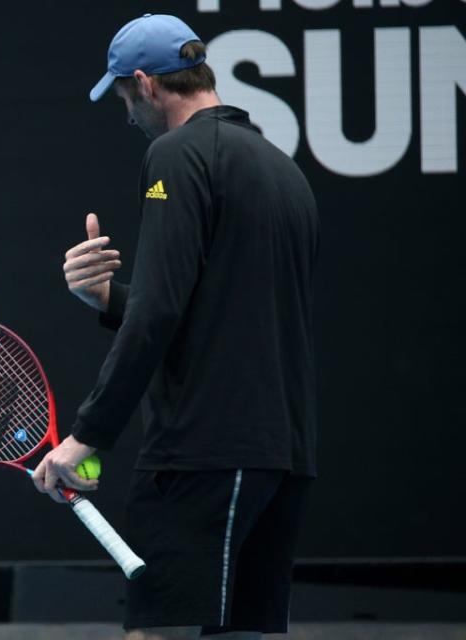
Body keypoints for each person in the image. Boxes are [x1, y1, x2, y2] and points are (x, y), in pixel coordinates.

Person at [32, 14, 319, 640]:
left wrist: (85, 437)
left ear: (146, 84)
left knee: (154, 632)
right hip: (283, 456)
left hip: (203, 454)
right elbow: (215, 310)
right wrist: (109, 298)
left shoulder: (176, 154)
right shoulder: (282, 169)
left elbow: (161, 313)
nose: (126, 111)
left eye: (124, 96)